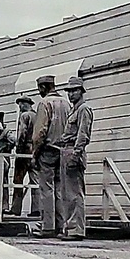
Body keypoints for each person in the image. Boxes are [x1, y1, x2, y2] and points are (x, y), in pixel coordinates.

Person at [31, 75, 72, 238]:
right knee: (60, 189)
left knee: (46, 189)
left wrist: (34, 153)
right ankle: (61, 226)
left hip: (47, 150)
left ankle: (47, 227)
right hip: (63, 150)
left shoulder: (44, 103)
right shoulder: (66, 104)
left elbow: (40, 132)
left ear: (43, 87)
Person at [55, 77, 94, 240]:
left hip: (73, 151)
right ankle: (69, 227)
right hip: (65, 149)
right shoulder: (74, 110)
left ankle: (76, 230)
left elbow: (82, 135)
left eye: (74, 90)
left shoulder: (84, 109)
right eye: (69, 91)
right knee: (66, 193)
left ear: (81, 91)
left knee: (75, 193)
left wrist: (75, 155)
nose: (71, 94)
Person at [9, 95, 39, 217]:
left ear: (26, 104)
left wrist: (19, 150)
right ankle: (37, 208)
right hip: (35, 150)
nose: (20, 106)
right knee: (35, 180)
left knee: (18, 180)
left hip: (25, 150)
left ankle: (16, 208)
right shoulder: (37, 115)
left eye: (21, 104)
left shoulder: (24, 116)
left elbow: (22, 134)